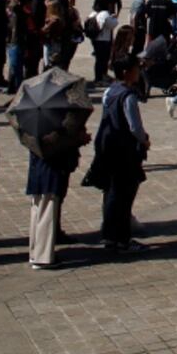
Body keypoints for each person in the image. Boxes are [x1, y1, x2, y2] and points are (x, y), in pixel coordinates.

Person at [26, 92, 91, 269]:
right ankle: (43, 257)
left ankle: (36, 252)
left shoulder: (32, 120)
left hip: (39, 169)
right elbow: (58, 143)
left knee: (39, 210)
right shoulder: (51, 125)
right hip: (50, 168)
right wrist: (78, 139)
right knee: (47, 211)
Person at [93, 56, 149, 252]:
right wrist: (144, 140)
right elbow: (135, 126)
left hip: (108, 147)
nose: (138, 72)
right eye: (135, 69)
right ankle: (122, 238)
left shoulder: (110, 91)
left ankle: (109, 235)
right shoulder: (128, 95)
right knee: (124, 195)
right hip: (125, 150)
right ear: (126, 72)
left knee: (111, 193)